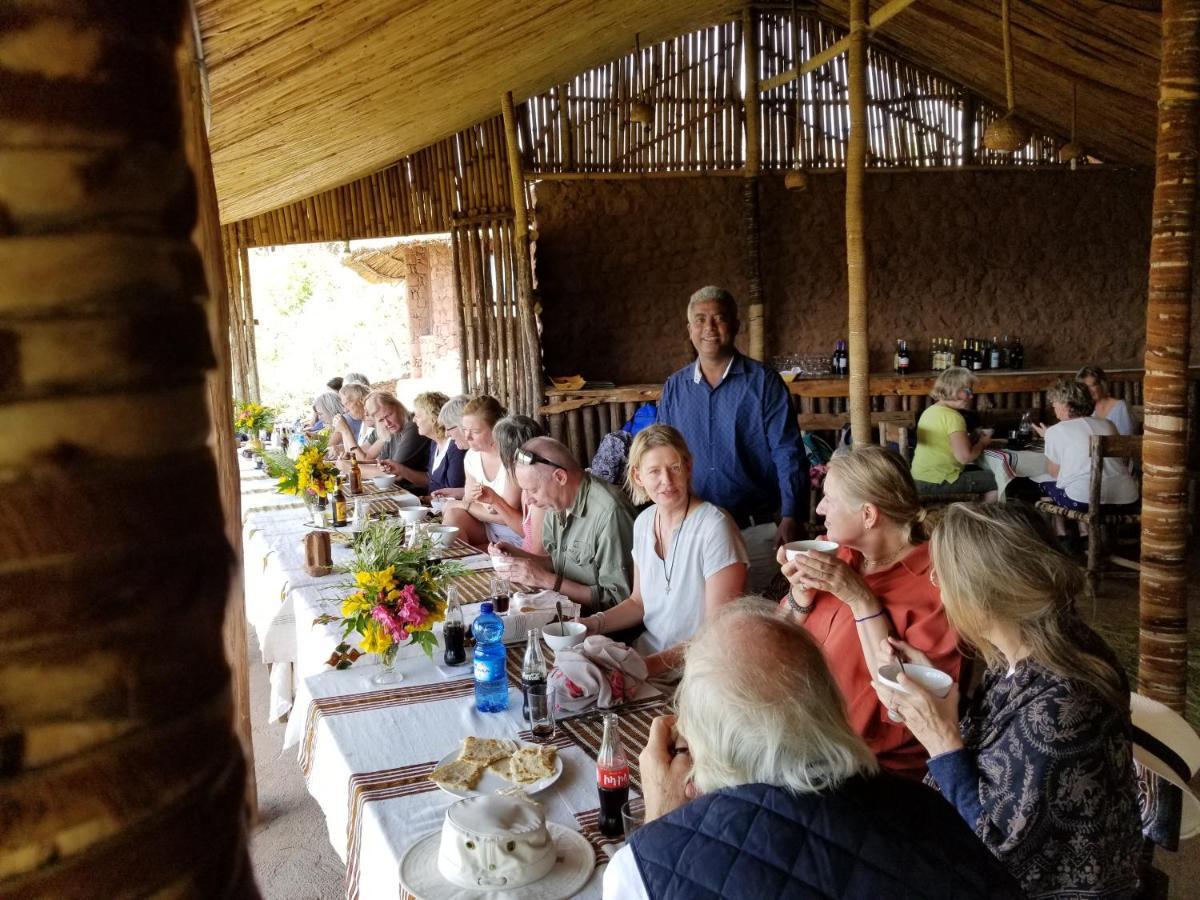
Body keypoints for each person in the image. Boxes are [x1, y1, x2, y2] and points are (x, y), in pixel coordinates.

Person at [603, 600, 1024, 900]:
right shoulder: (933, 810)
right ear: (831, 703)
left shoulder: (640, 869)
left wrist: (661, 826)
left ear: (700, 743)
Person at [874, 503, 1142, 898]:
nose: (938, 589)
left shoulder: (1063, 708)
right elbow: (1007, 747)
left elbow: (995, 858)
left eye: (941, 576)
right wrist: (945, 698)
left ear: (983, 594)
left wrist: (940, 739)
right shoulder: (1028, 650)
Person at [776, 446, 960, 778]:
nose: (819, 509)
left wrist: (862, 600)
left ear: (868, 515)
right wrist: (799, 594)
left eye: (829, 499)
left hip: (868, 769)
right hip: (799, 736)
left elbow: (910, 710)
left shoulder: (937, 587)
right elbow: (775, 637)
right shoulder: (840, 557)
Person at [657, 286, 807, 591]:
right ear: (689, 330)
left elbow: (787, 451)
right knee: (702, 618)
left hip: (754, 527)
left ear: (736, 325)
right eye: (700, 320)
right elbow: (662, 455)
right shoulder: (675, 387)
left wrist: (791, 514)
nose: (709, 328)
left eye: (719, 319)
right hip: (693, 525)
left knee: (757, 613)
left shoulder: (764, 383)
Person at [579, 425, 747, 676]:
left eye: (675, 468)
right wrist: (592, 625)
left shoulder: (715, 528)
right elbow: (638, 603)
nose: (666, 481)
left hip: (698, 672)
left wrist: (648, 667)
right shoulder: (644, 523)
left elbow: (717, 631)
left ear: (688, 467)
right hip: (646, 657)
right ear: (638, 477)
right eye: (654, 471)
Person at [491, 437, 634, 613]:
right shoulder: (556, 503)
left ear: (560, 477)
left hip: (599, 627)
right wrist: (514, 555)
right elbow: (557, 563)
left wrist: (546, 580)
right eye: (524, 490)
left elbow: (617, 600)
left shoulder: (610, 513)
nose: (528, 500)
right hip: (564, 611)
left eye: (533, 490)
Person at [1034, 378, 1138, 518]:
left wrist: (1048, 437)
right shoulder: (1108, 424)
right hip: (1127, 499)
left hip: (1085, 502)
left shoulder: (1056, 430)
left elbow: (1054, 473)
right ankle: (1079, 534)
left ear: (1066, 404)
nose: (1053, 405)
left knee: (1038, 484)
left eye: (1055, 402)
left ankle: (1061, 535)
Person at [441, 396, 523, 548]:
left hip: (516, 533)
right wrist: (466, 503)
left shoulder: (511, 459)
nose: (467, 437)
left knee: (455, 510)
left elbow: (505, 518)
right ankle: (452, 566)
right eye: (464, 430)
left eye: (476, 431)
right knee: (453, 516)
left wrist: (465, 506)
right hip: (486, 527)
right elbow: (469, 498)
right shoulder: (472, 457)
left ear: (496, 429)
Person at [911, 366, 997, 500]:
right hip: (938, 481)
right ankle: (981, 519)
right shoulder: (954, 417)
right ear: (953, 389)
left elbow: (944, 445)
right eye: (967, 390)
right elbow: (965, 457)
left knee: (984, 475)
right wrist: (982, 443)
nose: (971, 395)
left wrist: (973, 438)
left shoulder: (930, 411)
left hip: (919, 478)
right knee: (997, 479)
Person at [490, 415, 547, 555]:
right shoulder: (525, 488)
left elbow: (538, 554)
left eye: (496, 443)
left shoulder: (538, 494)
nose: (492, 446)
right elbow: (526, 534)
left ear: (507, 452)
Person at [359, 390, 431, 487]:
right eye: (381, 420)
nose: (387, 423)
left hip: (418, 493)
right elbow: (382, 464)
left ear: (399, 407)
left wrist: (352, 468)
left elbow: (392, 472)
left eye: (388, 415)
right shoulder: (392, 430)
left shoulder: (413, 426)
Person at [411, 391, 465, 495]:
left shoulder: (456, 446)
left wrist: (425, 500)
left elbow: (453, 489)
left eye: (418, 416)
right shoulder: (435, 443)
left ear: (434, 418)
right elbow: (430, 480)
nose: (413, 420)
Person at [1077, 365, 1135, 436]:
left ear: (1102, 385)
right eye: (1085, 387)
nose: (1088, 391)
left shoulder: (1121, 407)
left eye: (1092, 386)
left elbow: (1127, 438)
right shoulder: (1084, 409)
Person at [329, 382, 369, 453]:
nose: (345, 410)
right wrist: (341, 447)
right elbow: (353, 451)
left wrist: (344, 429)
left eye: (347, 403)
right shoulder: (364, 422)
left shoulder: (375, 425)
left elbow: (360, 457)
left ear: (362, 400)